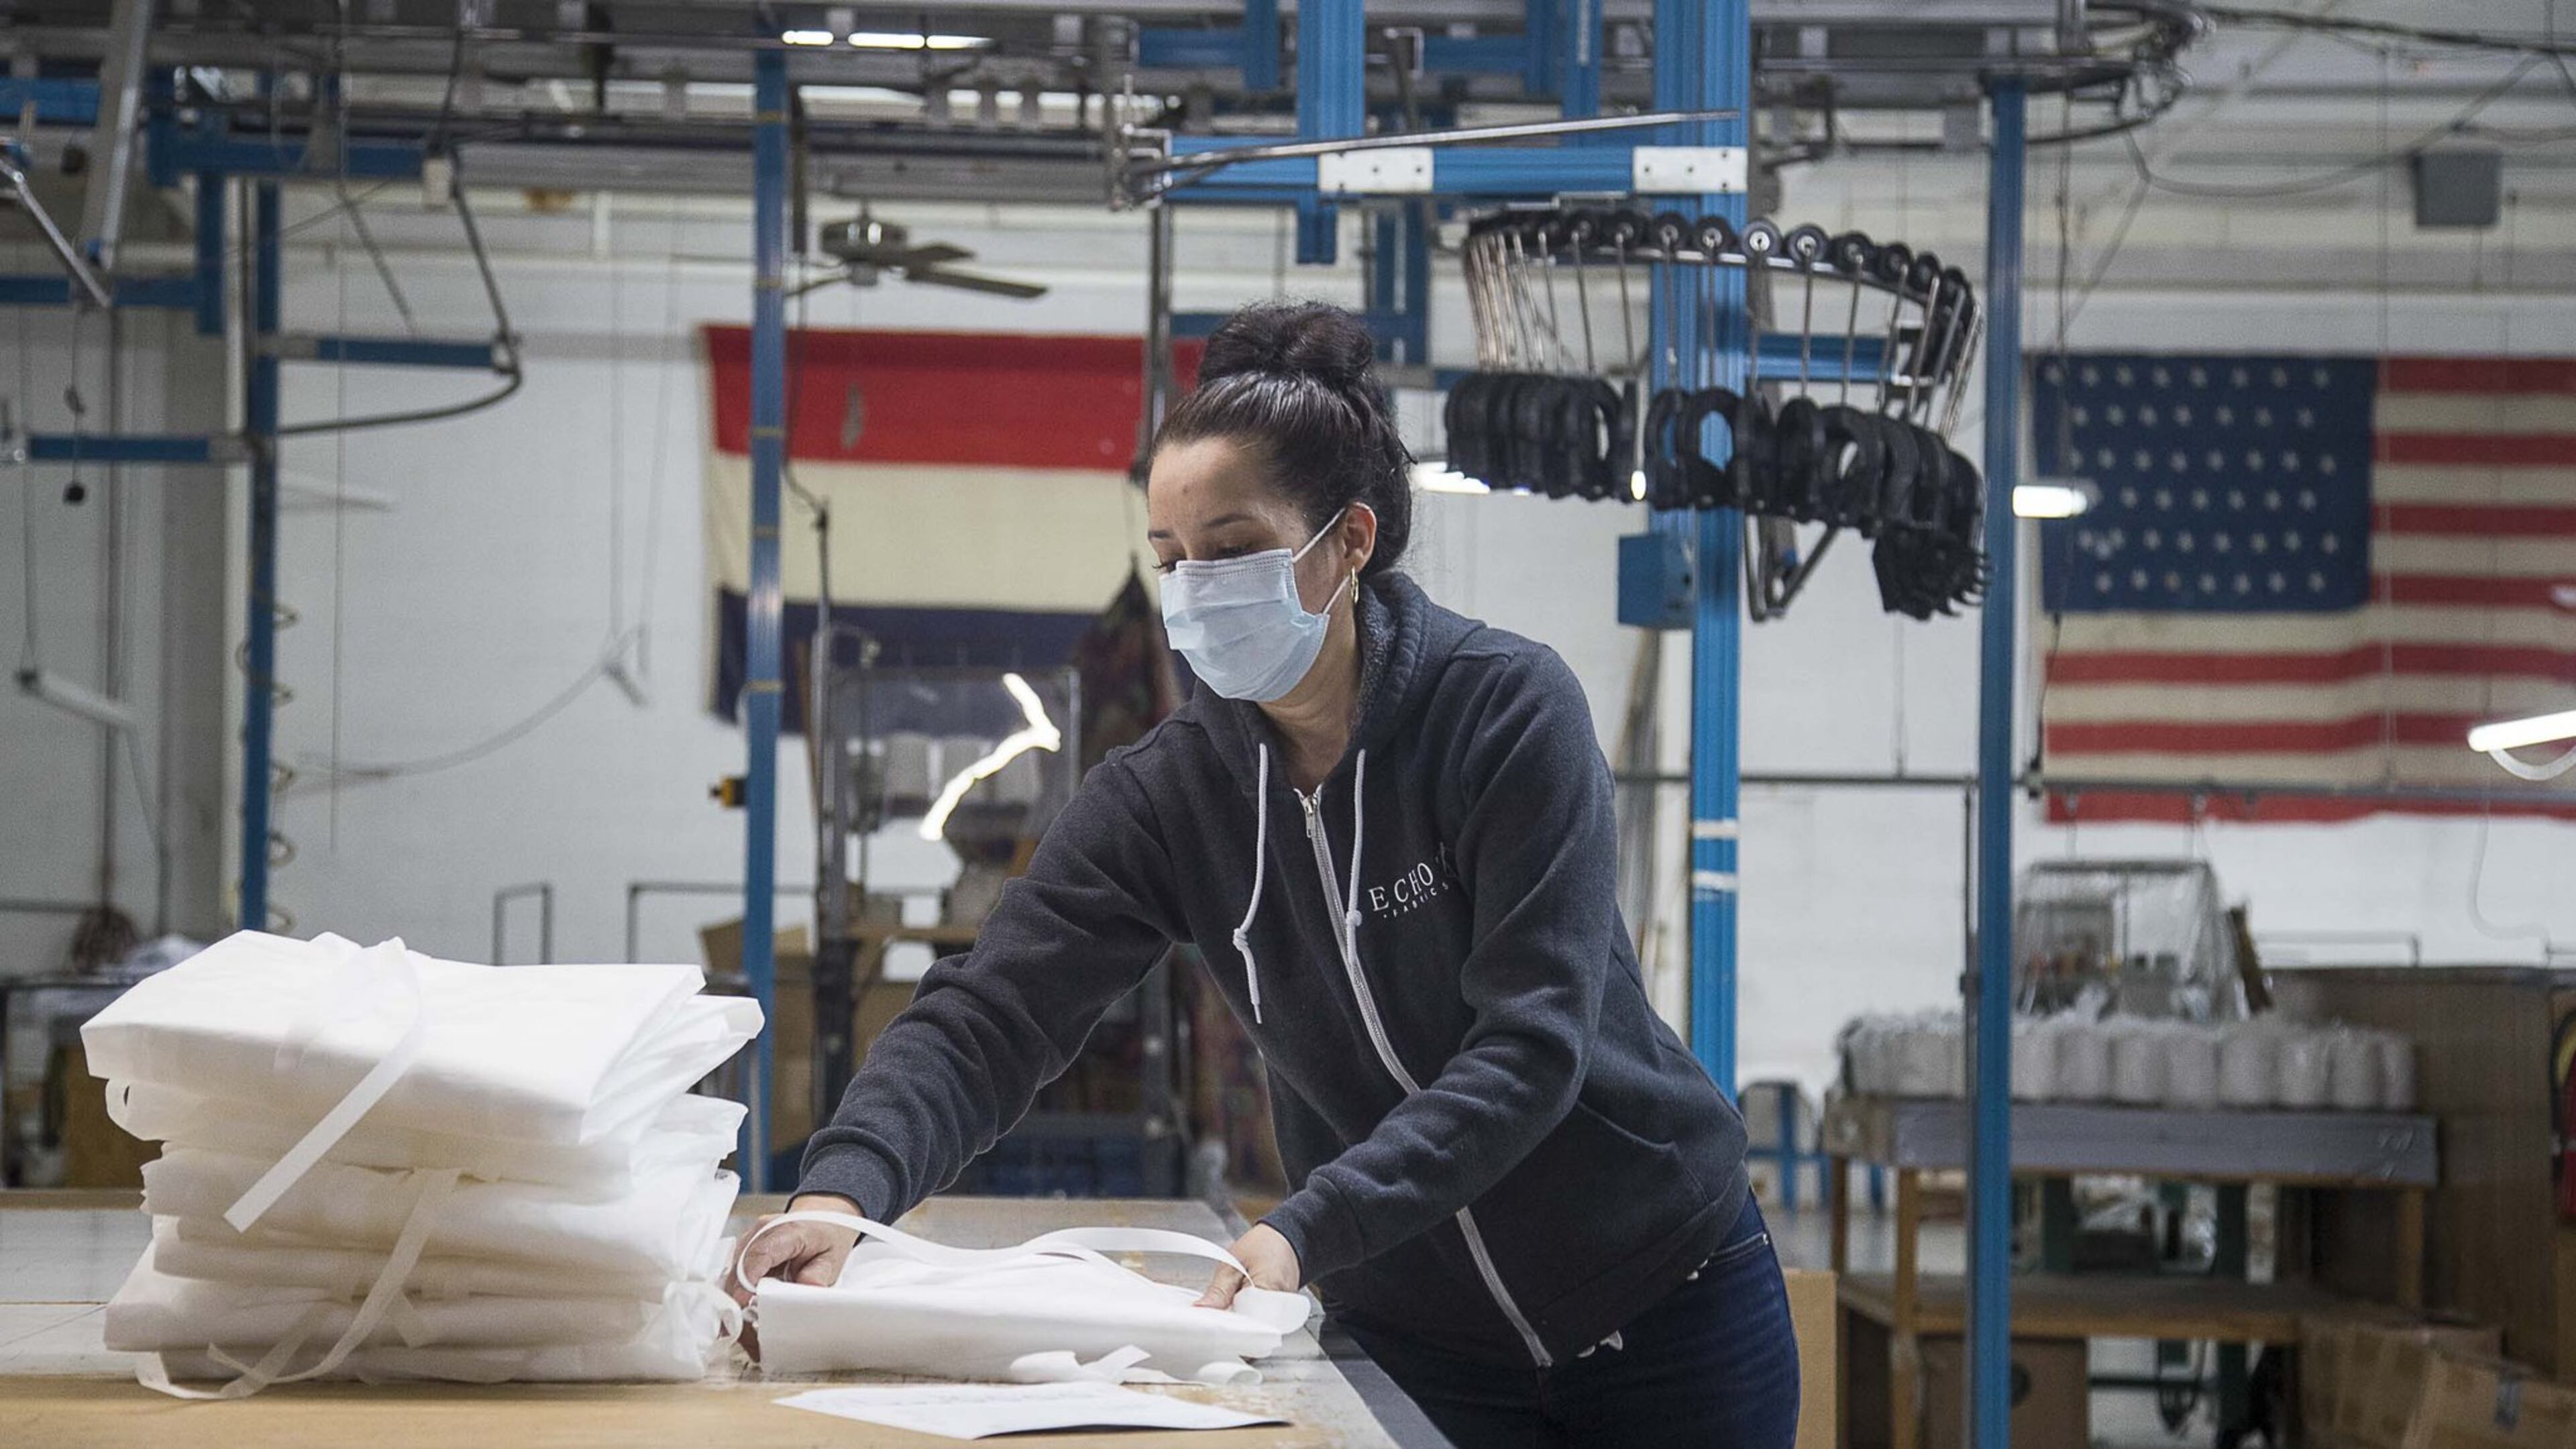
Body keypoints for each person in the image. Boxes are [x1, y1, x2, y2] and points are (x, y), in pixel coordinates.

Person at [731, 300, 1799, 1448]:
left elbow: (1534, 1046)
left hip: (1665, 1301)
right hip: (1420, 1341)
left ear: (1351, 540)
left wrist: (1310, 1226)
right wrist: (845, 1192)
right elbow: (992, 1013)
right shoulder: (1169, 795)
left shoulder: (1503, 715)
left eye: (1234, 549)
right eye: (1172, 559)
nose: (1196, 587)